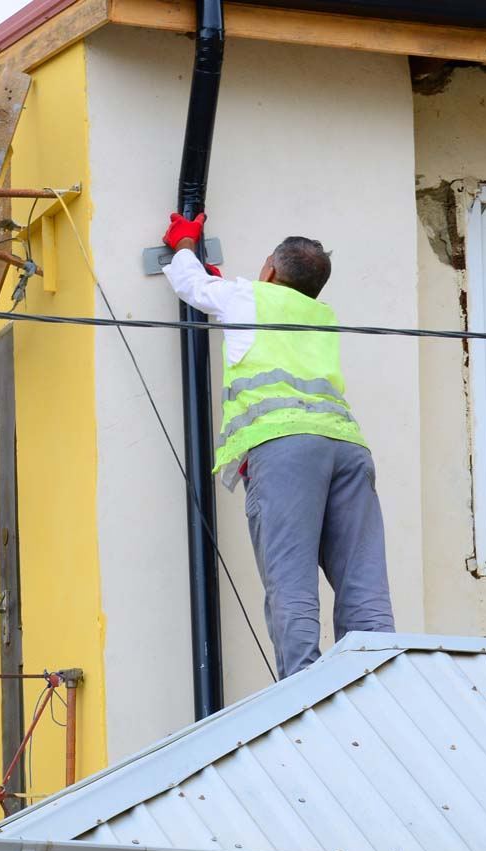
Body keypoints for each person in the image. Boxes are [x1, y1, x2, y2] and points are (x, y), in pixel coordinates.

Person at [161, 212, 395, 680]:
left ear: (269, 268)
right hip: (347, 448)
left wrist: (184, 241)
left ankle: (303, 691)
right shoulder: (321, 315)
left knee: (291, 580)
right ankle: (376, 684)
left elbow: (190, 284)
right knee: (363, 583)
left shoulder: (248, 295)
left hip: (285, 449)